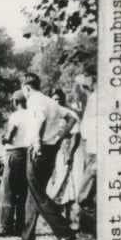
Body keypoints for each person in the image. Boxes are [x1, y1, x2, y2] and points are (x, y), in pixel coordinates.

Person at [19, 72, 79, 240]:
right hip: (52, 149)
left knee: (38, 193)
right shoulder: (50, 101)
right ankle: (27, 236)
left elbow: (41, 119)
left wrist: (37, 141)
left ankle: (64, 232)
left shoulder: (34, 101)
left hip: (39, 149)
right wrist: (59, 139)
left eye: (24, 90)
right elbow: (72, 118)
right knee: (35, 192)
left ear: (27, 88)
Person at [0, 90, 31, 238]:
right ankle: (20, 227)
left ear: (15, 101)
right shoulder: (31, 115)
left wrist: (3, 138)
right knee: (23, 192)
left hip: (14, 153)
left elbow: (10, 137)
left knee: (7, 190)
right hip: (26, 154)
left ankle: (6, 227)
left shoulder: (15, 116)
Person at [46, 88, 82, 221]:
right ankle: (56, 218)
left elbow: (76, 135)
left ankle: (67, 217)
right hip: (51, 150)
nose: (58, 102)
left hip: (65, 150)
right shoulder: (50, 114)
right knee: (53, 181)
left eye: (60, 99)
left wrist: (71, 154)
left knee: (66, 182)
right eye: (55, 99)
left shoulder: (69, 114)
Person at [73, 74, 98, 236]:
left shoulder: (97, 99)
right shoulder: (91, 100)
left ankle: (98, 239)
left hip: (95, 154)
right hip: (90, 152)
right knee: (86, 197)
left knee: (84, 197)